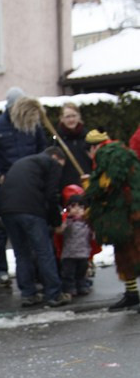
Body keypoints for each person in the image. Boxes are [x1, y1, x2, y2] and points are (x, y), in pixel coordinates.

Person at [0, 88, 48, 287]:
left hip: (30, 185)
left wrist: (38, 174)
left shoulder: (32, 124)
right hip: (6, 185)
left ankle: (34, 274)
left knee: (32, 230)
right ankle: (2, 269)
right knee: (2, 230)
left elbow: (42, 149)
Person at [0, 146, 70, 309]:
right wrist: (57, 222)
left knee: (22, 253)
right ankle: (54, 294)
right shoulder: (52, 164)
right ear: (55, 157)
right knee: (44, 251)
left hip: (7, 210)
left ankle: (28, 294)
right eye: (61, 165)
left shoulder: (25, 161)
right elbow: (51, 195)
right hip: (31, 210)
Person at [84, 130, 140, 313]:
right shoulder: (116, 151)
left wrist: (90, 188)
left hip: (130, 213)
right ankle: (132, 294)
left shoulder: (108, 154)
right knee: (124, 252)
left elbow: (107, 184)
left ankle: (133, 294)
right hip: (123, 213)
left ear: (93, 148)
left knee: (134, 252)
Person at [56, 189, 93, 297]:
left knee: (81, 272)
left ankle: (82, 286)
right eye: (73, 206)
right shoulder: (68, 221)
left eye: (80, 207)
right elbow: (59, 231)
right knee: (69, 273)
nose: (77, 209)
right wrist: (65, 220)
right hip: (69, 254)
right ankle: (69, 288)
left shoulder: (87, 222)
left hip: (83, 253)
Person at [55, 101, 92, 190]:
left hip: (86, 185)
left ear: (79, 117)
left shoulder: (88, 138)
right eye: (67, 117)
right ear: (62, 119)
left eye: (74, 116)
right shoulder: (57, 140)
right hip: (66, 187)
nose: (71, 120)